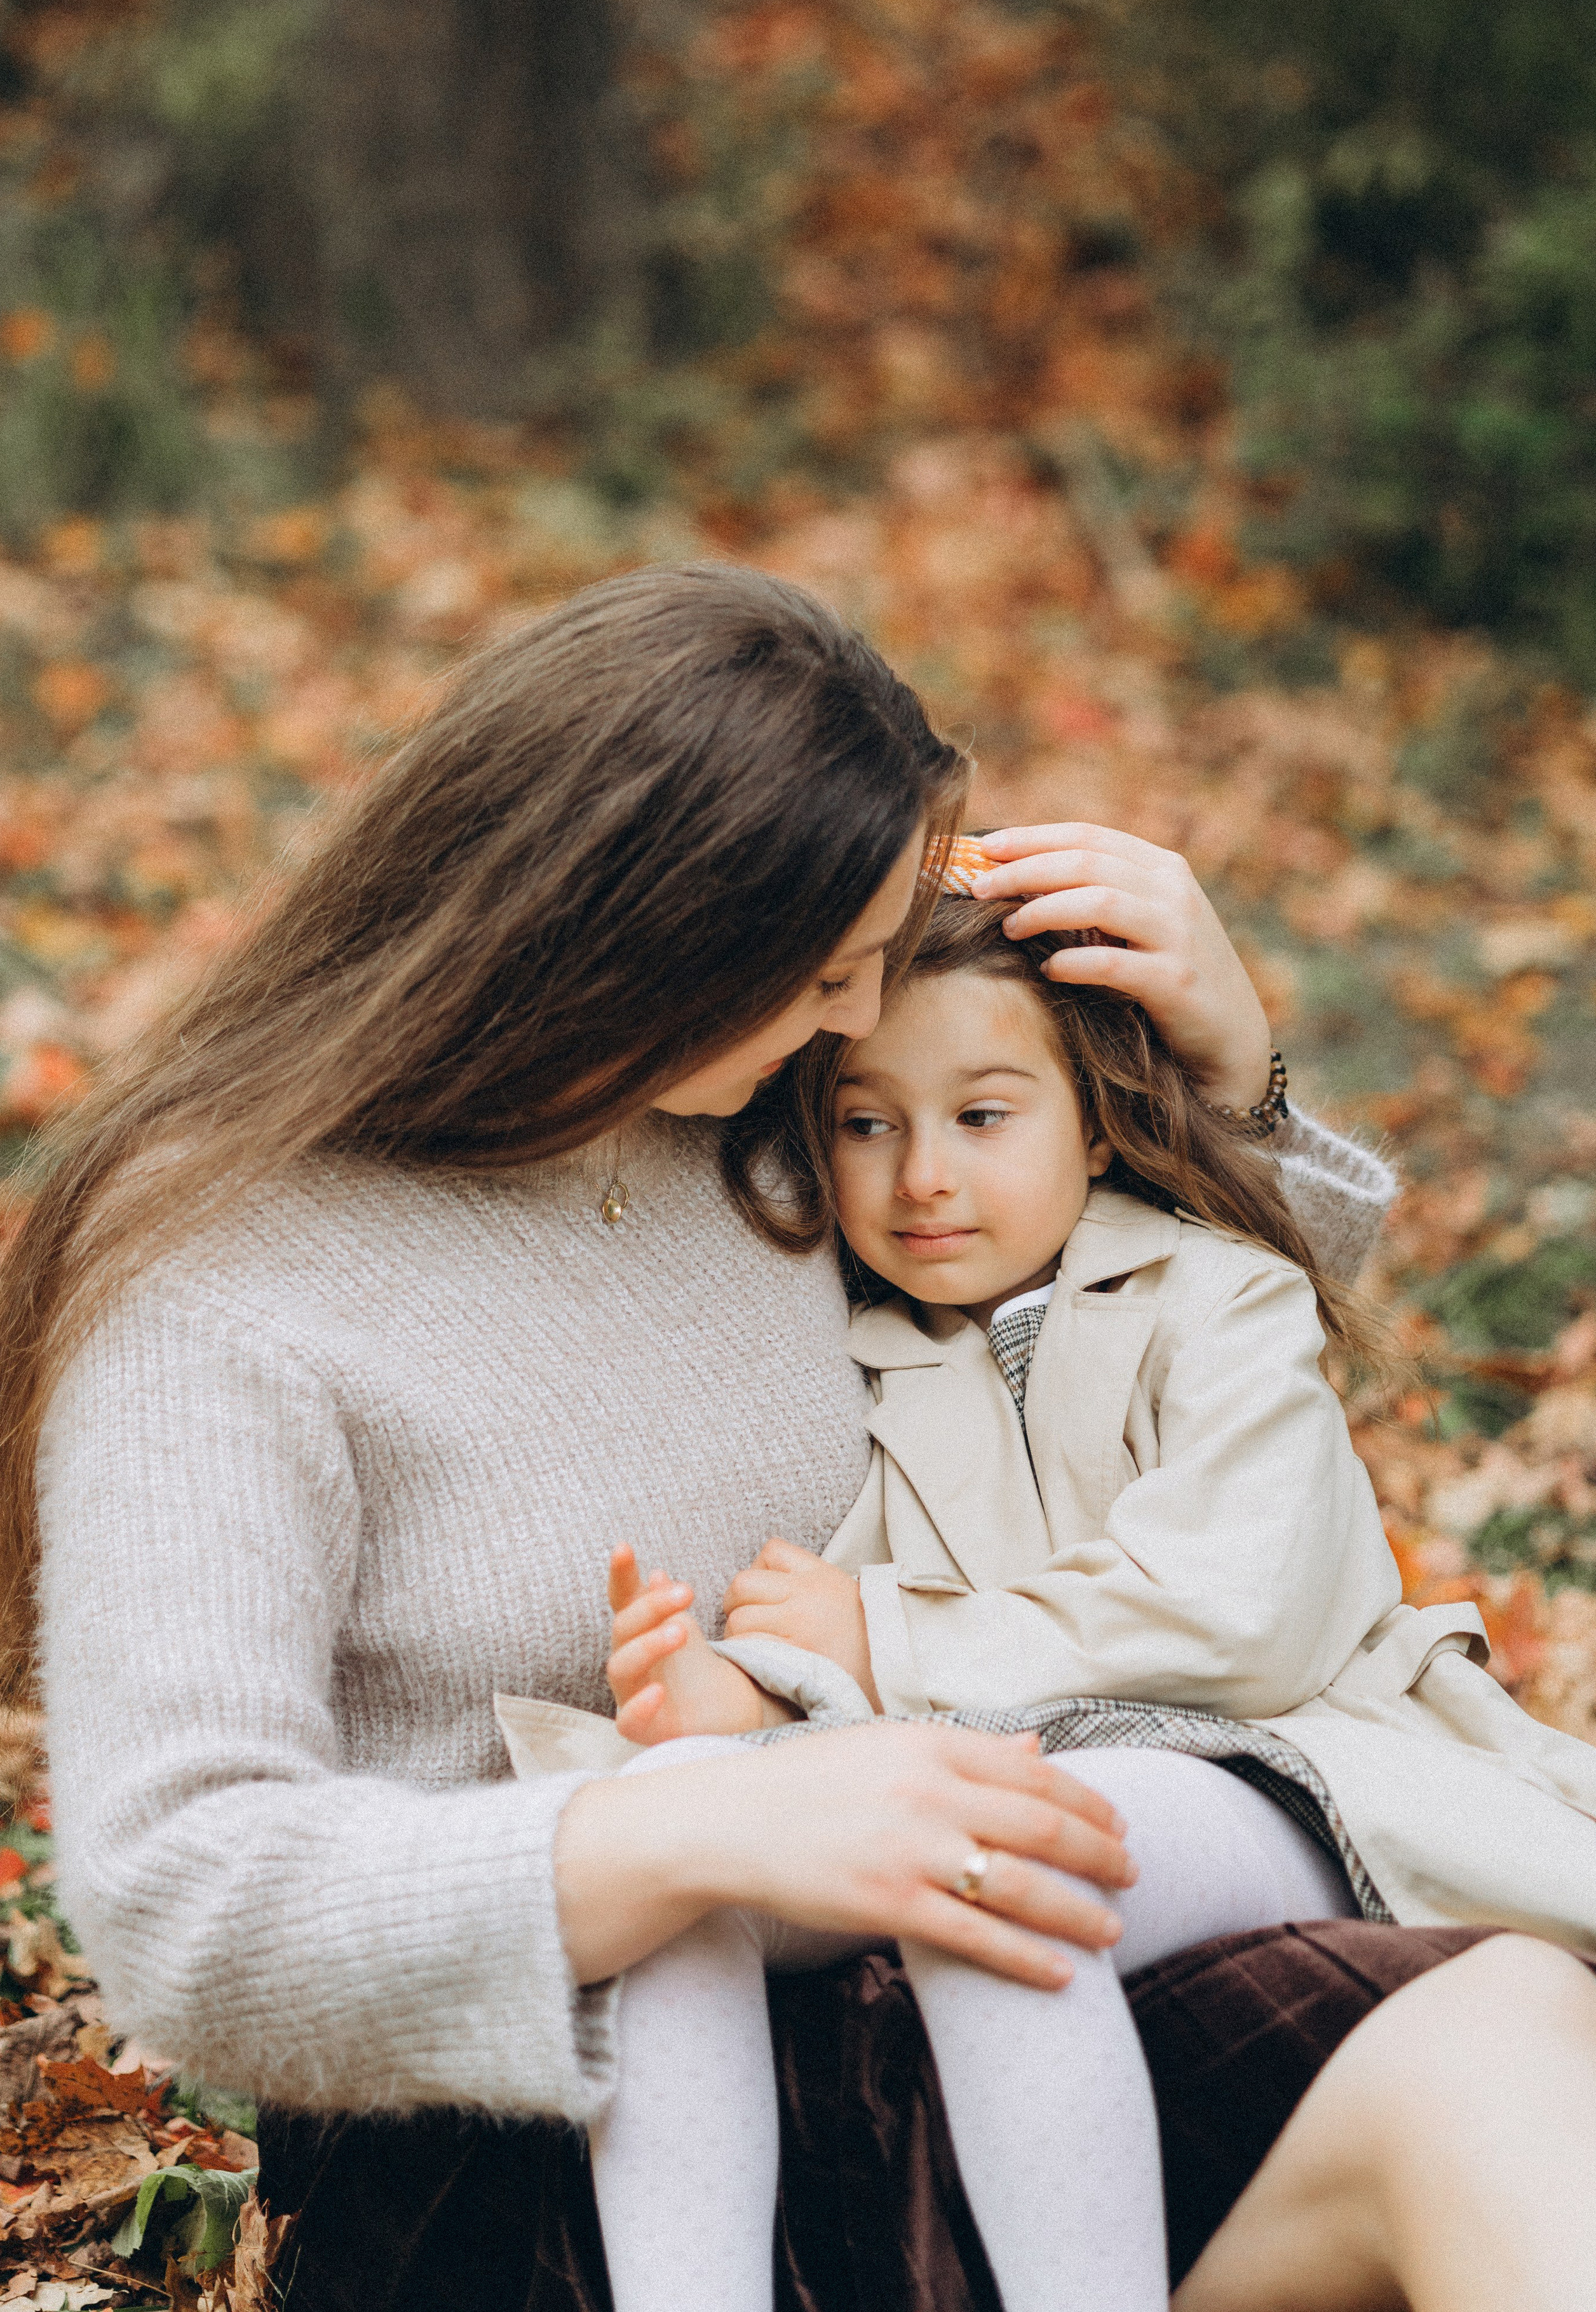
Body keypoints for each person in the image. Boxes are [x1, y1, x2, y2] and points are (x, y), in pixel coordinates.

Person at [0, 564, 1394, 2304]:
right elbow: (185, 1908)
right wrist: (696, 1832)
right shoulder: (222, 1278)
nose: (862, 1019)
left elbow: (1119, 1366)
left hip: (915, 1968)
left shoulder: (753, 1128)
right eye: (831, 974)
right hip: (532, 2110)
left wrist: (1235, 1077)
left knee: (1502, 2036)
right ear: (661, 938)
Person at [539, 869, 1596, 2312]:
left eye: (981, 1117)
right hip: (1039, 1775)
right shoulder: (866, 1365)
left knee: (996, 1857)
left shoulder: (1220, 1297)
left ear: (1094, 1125)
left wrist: (884, 1640)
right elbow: (848, 1643)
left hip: (1284, 1768)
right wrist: (743, 1693)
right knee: (690, 1876)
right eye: (867, 1123)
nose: (920, 1176)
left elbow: (1240, 1612)